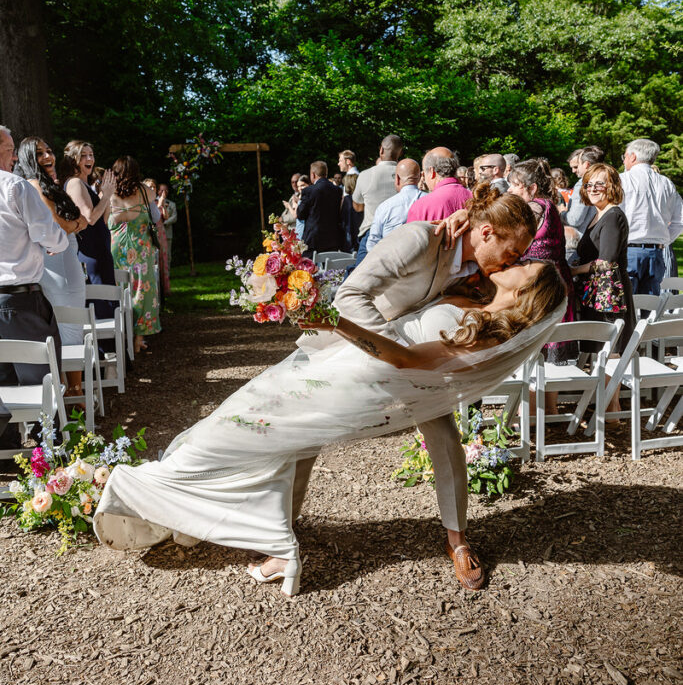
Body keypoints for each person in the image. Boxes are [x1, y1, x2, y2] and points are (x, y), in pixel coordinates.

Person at [94, 250, 565, 596]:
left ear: (526, 291)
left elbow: (403, 358)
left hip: (354, 382)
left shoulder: (483, 334)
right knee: (254, 432)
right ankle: (261, 536)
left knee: (239, 430)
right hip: (338, 368)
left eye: (526, 266)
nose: (519, 259)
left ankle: (144, 490)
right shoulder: (471, 294)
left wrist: (336, 322)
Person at [296, 186, 541, 589]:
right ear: (485, 234)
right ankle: (284, 528)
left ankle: (457, 541)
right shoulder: (420, 238)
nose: (514, 261)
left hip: (413, 367)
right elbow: (350, 295)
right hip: (346, 349)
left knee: (445, 438)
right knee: (303, 434)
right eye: (511, 252)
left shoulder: (477, 267)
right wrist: (395, 355)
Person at [14, 138, 88, 401]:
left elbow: (77, 221)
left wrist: (75, 223)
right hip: (58, 266)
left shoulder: (46, 184)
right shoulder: (34, 185)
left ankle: (72, 393)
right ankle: (75, 398)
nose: (48, 156)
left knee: (69, 326)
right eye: (40, 153)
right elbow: (61, 226)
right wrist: (76, 223)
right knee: (70, 327)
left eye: (49, 151)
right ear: (28, 159)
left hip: (63, 258)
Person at [0, 127, 68, 392]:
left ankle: (12, 435)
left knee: (3, 395)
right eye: (9, 151)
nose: (15, 158)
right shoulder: (15, 186)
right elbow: (50, 235)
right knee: (44, 384)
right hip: (19, 302)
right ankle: (46, 434)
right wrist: (56, 242)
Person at [507, 158, 576, 412]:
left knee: (536, 346)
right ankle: (551, 409)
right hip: (556, 281)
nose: (511, 191)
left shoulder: (534, 207)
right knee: (550, 344)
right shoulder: (550, 206)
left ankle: (533, 413)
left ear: (532, 188)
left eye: (515, 186)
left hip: (541, 286)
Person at [572, 164, 636, 410]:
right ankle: (605, 406)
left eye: (600, 183)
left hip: (609, 296)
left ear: (612, 186)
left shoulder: (613, 216)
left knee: (610, 351)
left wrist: (574, 271)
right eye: (589, 184)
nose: (593, 189)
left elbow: (607, 261)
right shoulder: (596, 215)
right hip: (594, 293)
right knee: (601, 349)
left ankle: (612, 409)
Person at [108, 156, 161, 353]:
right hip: (141, 250)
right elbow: (155, 216)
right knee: (142, 291)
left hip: (118, 249)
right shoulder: (146, 191)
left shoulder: (110, 193)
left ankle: (121, 336)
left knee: (119, 289)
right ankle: (139, 338)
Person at [61, 140, 116, 321]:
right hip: (91, 253)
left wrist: (106, 196)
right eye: (83, 155)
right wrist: (106, 195)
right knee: (101, 304)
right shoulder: (75, 183)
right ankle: (102, 348)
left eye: (91, 154)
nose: (89, 158)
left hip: (101, 250)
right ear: (73, 159)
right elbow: (89, 218)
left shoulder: (85, 184)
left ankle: (113, 346)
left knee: (110, 301)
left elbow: (103, 220)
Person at [620, 139, 683, 296]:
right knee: (650, 307)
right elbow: (680, 219)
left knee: (625, 308)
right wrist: (664, 240)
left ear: (632, 157)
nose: (624, 160)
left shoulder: (622, 180)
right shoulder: (666, 183)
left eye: (624, 156)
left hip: (628, 250)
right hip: (655, 253)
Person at [350, 135, 403, 270]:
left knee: (360, 279)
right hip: (400, 235)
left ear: (381, 151)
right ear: (400, 152)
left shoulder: (365, 175)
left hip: (371, 232)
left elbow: (357, 206)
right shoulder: (405, 175)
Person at [365, 159, 422, 251]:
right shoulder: (431, 201)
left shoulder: (385, 207)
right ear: (420, 177)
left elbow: (372, 243)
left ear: (397, 179)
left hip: (390, 261)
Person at [406, 147, 471, 223]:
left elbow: (412, 234)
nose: (423, 178)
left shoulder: (420, 207)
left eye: (424, 173)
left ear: (431, 171)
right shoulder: (477, 199)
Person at [296, 161, 343, 254]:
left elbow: (300, 214)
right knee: (330, 268)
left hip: (313, 238)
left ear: (313, 174)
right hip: (332, 237)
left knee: (308, 266)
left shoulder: (309, 190)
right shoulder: (337, 190)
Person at [564, 146, 604, 235]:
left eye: (577, 166)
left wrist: (562, 212)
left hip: (584, 239)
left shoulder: (583, 184)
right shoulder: (608, 181)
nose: (573, 171)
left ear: (586, 164)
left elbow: (575, 219)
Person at [143, 178, 170, 296]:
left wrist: (162, 204)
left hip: (160, 232)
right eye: (149, 187)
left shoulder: (157, 201)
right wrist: (159, 204)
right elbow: (153, 218)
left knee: (163, 258)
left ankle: (165, 289)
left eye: (154, 187)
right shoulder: (144, 202)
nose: (152, 189)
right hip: (150, 233)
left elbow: (165, 217)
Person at [157, 183, 178, 266]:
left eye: (165, 190)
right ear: (158, 191)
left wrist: (164, 223)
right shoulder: (152, 202)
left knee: (168, 255)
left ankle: (167, 274)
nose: (163, 192)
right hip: (156, 234)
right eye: (162, 190)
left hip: (167, 233)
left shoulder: (172, 204)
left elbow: (174, 217)